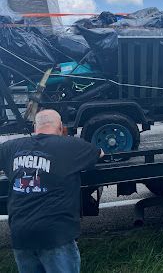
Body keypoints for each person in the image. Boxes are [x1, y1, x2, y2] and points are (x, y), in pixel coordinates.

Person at [0, 109, 103, 273]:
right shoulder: (71, 146)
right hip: (55, 235)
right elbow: (99, 153)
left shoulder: (10, 147)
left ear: (35, 127)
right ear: (62, 128)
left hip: (21, 235)